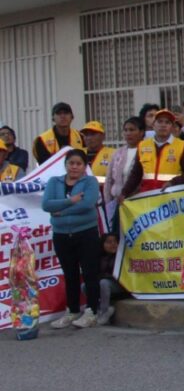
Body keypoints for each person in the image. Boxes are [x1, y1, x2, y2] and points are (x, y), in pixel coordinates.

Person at [41, 149, 103, 329]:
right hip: (61, 234)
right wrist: (71, 201)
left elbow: (87, 204)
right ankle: (73, 310)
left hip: (86, 233)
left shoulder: (90, 182)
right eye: (71, 163)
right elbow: (46, 204)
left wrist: (61, 211)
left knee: (90, 273)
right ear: (66, 164)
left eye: (79, 164)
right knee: (70, 274)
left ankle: (92, 311)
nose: (74, 167)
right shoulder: (54, 181)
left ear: (84, 166)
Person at [123, 109, 184, 197]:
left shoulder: (182, 145)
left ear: (172, 127)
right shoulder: (143, 145)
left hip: (171, 198)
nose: (163, 125)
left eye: (167, 122)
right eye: (160, 121)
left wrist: (173, 182)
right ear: (153, 125)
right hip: (147, 197)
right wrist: (124, 193)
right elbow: (136, 174)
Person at [102, 118, 144, 232]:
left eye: (132, 130)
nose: (128, 133)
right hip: (117, 202)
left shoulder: (146, 151)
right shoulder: (118, 153)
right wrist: (108, 202)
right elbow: (109, 180)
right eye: (125, 130)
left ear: (141, 132)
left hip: (137, 202)